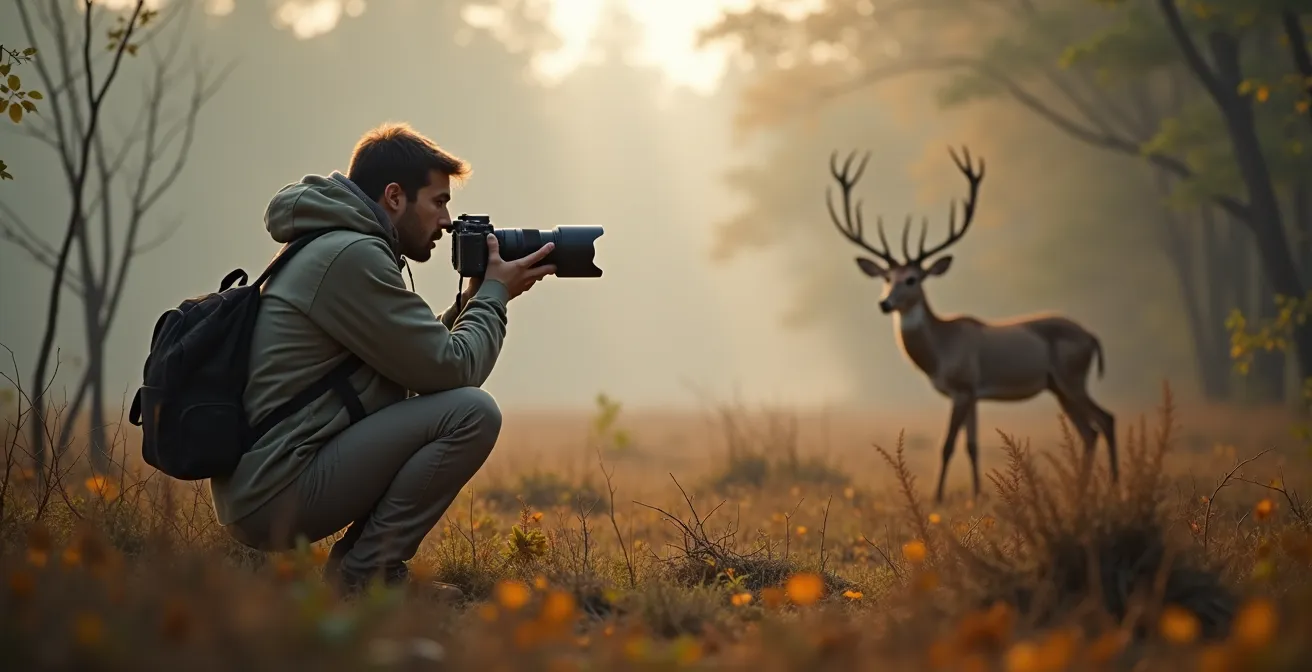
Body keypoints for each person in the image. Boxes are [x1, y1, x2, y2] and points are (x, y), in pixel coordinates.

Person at [211, 122, 555, 600]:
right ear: (394, 196)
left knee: (459, 407)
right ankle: (364, 576)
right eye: (438, 202)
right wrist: (494, 297)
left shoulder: (336, 244)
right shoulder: (350, 255)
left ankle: (364, 570)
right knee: (472, 413)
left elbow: (411, 356)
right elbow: (453, 369)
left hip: (264, 485)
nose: (446, 221)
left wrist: (474, 300)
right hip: (274, 494)